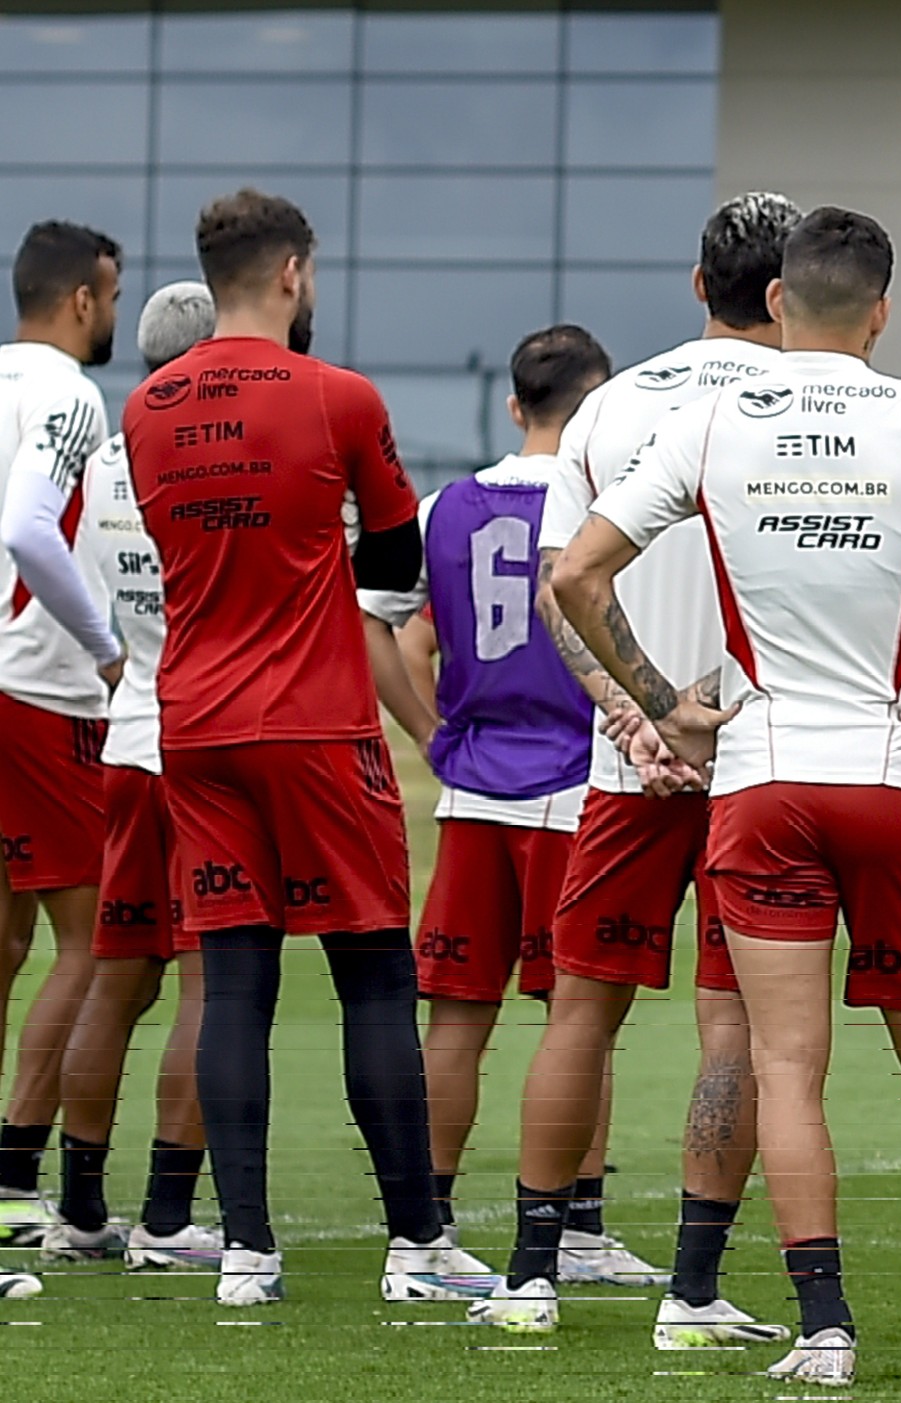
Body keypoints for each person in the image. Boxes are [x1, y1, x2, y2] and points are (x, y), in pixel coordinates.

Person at [552, 206, 901, 1385]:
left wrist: (656, 701)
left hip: (761, 775)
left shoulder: (707, 420)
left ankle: (826, 1330)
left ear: (779, 301)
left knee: (787, 1065)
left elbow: (577, 572)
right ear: (881, 309)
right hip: (890, 772)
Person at [122, 188, 468, 1307]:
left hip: (197, 724)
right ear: (293, 274)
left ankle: (245, 1250)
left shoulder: (147, 406)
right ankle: (417, 1244)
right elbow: (393, 548)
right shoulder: (338, 395)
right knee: (372, 973)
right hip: (315, 721)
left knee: (234, 983)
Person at [468, 193, 801, 1351]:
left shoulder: (609, 405)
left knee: (578, 1015)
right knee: (735, 1028)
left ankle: (526, 1275)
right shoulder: (810, 409)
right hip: (760, 761)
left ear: (697, 284)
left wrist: (631, 711)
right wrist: (696, 714)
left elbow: (564, 581)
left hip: (630, 767)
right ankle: (693, 1294)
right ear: (782, 291)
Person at [361, 323, 662, 1288]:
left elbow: (380, 624)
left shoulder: (450, 503)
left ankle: (426, 1237)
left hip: (473, 790)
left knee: (456, 1019)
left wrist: (429, 732)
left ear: (513, 403)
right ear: (598, 406)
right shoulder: (608, 510)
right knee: (582, 1018)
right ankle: (576, 1230)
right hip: (578, 787)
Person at [42, 282, 222, 1270]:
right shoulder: (212, 455)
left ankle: (76, 1205)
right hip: (196, 745)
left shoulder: (108, 459)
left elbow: (75, 584)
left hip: (127, 732)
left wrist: (118, 660)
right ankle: (164, 1214)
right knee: (206, 979)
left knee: (116, 981)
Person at [0, 221, 124, 1263]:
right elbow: (30, 529)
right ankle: (14, 1176)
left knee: (2, 947)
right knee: (89, 943)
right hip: (37, 690)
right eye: (113, 298)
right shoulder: (69, 395)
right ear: (85, 298)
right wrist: (110, 645)